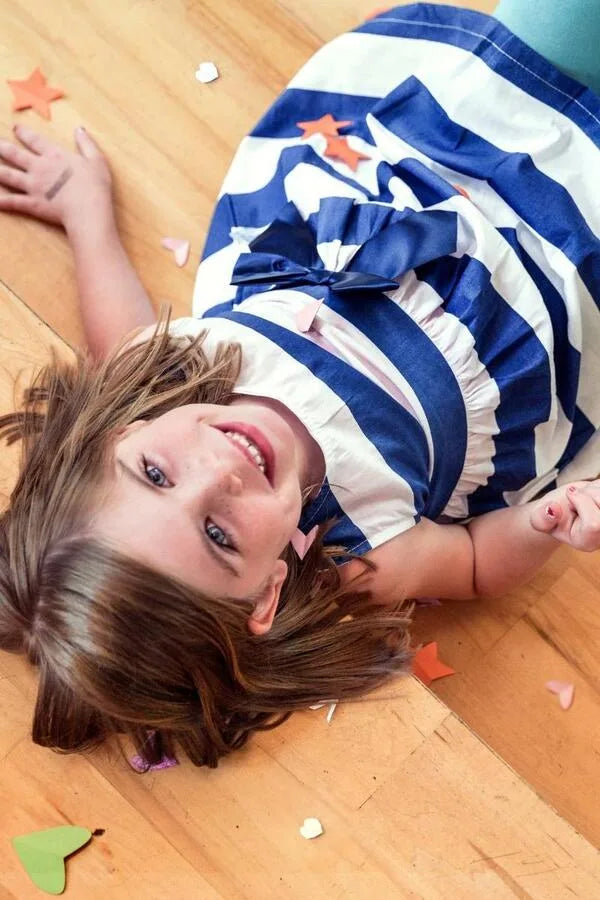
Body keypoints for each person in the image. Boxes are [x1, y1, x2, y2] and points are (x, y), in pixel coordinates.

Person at [0, 2, 599, 769]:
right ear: (264, 598)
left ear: (118, 436)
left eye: (156, 473)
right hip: (547, 301)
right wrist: (545, 524)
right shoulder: (364, 556)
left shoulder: (166, 373)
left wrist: (82, 211)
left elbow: (115, 325)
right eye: (219, 535)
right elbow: (478, 563)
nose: (221, 470)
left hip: (431, 182)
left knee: (553, 38)